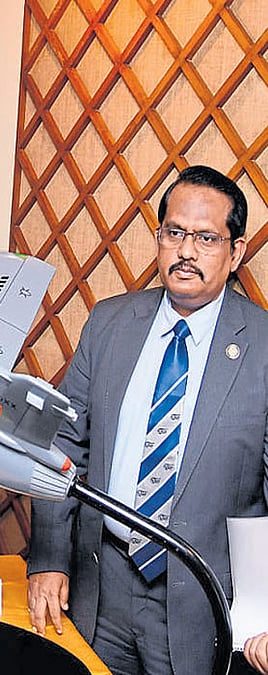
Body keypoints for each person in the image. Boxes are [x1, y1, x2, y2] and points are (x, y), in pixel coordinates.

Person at [26, 165, 268, 675]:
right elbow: (60, 445)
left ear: (236, 252)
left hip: (204, 600)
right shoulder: (109, 323)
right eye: (174, 233)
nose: (186, 251)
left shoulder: (263, 347)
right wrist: (48, 557)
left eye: (206, 238)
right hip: (101, 587)